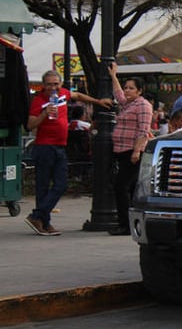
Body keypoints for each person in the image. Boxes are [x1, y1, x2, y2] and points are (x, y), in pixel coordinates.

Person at [25, 70, 112, 236]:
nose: (53, 88)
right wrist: (44, 113)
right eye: (49, 84)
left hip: (60, 146)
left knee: (61, 184)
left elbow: (78, 96)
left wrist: (98, 102)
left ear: (60, 84)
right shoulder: (38, 100)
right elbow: (30, 125)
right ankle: (44, 222)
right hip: (44, 147)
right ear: (44, 85)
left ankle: (37, 216)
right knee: (43, 187)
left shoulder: (63, 94)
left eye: (56, 84)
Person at [108, 63, 153, 236]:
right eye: (127, 88)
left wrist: (136, 151)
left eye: (131, 88)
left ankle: (125, 224)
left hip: (131, 151)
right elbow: (118, 95)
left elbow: (143, 129)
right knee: (130, 187)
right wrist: (114, 76)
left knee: (121, 186)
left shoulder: (143, 105)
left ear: (139, 91)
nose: (127, 91)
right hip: (121, 150)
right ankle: (132, 222)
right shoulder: (128, 104)